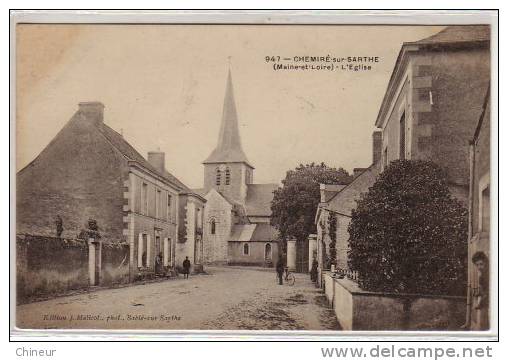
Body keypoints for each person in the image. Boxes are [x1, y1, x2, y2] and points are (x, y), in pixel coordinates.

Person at [472, 251, 489, 330]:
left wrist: (480, 303)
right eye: (477, 265)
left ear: (485, 263)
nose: (479, 267)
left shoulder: (488, 274)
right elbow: (483, 288)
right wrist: (478, 292)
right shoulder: (481, 275)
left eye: (481, 264)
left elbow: (487, 292)